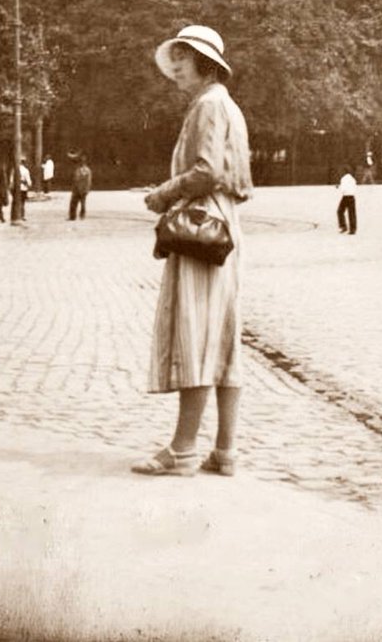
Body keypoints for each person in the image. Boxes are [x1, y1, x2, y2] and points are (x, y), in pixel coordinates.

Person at [134, 25, 252, 477]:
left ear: (204, 63)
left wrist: (163, 195)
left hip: (200, 223)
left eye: (182, 59)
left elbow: (206, 171)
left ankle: (182, 450)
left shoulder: (206, 105)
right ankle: (225, 451)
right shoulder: (228, 105)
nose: (176, 68)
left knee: (196, 333)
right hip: (226, 225)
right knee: (223, 336)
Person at [68, 153, 92, 221]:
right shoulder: (79, 169)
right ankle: (73, 216)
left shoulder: (86, 170)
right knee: (74, 203)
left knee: (82, 203)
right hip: (77, 189)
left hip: (82, 189)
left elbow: (87, 181)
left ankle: (81, 215)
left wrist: (86, 189)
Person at [336, 164, 358, 234]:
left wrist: (338, 187)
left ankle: (343, 226)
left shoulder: (343, 179)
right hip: (352, 196)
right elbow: (354, 187)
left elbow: (343, 189)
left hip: (346, 197)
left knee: (340, 211)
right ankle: (353, 229)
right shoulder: (352, 178)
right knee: (352, 213)